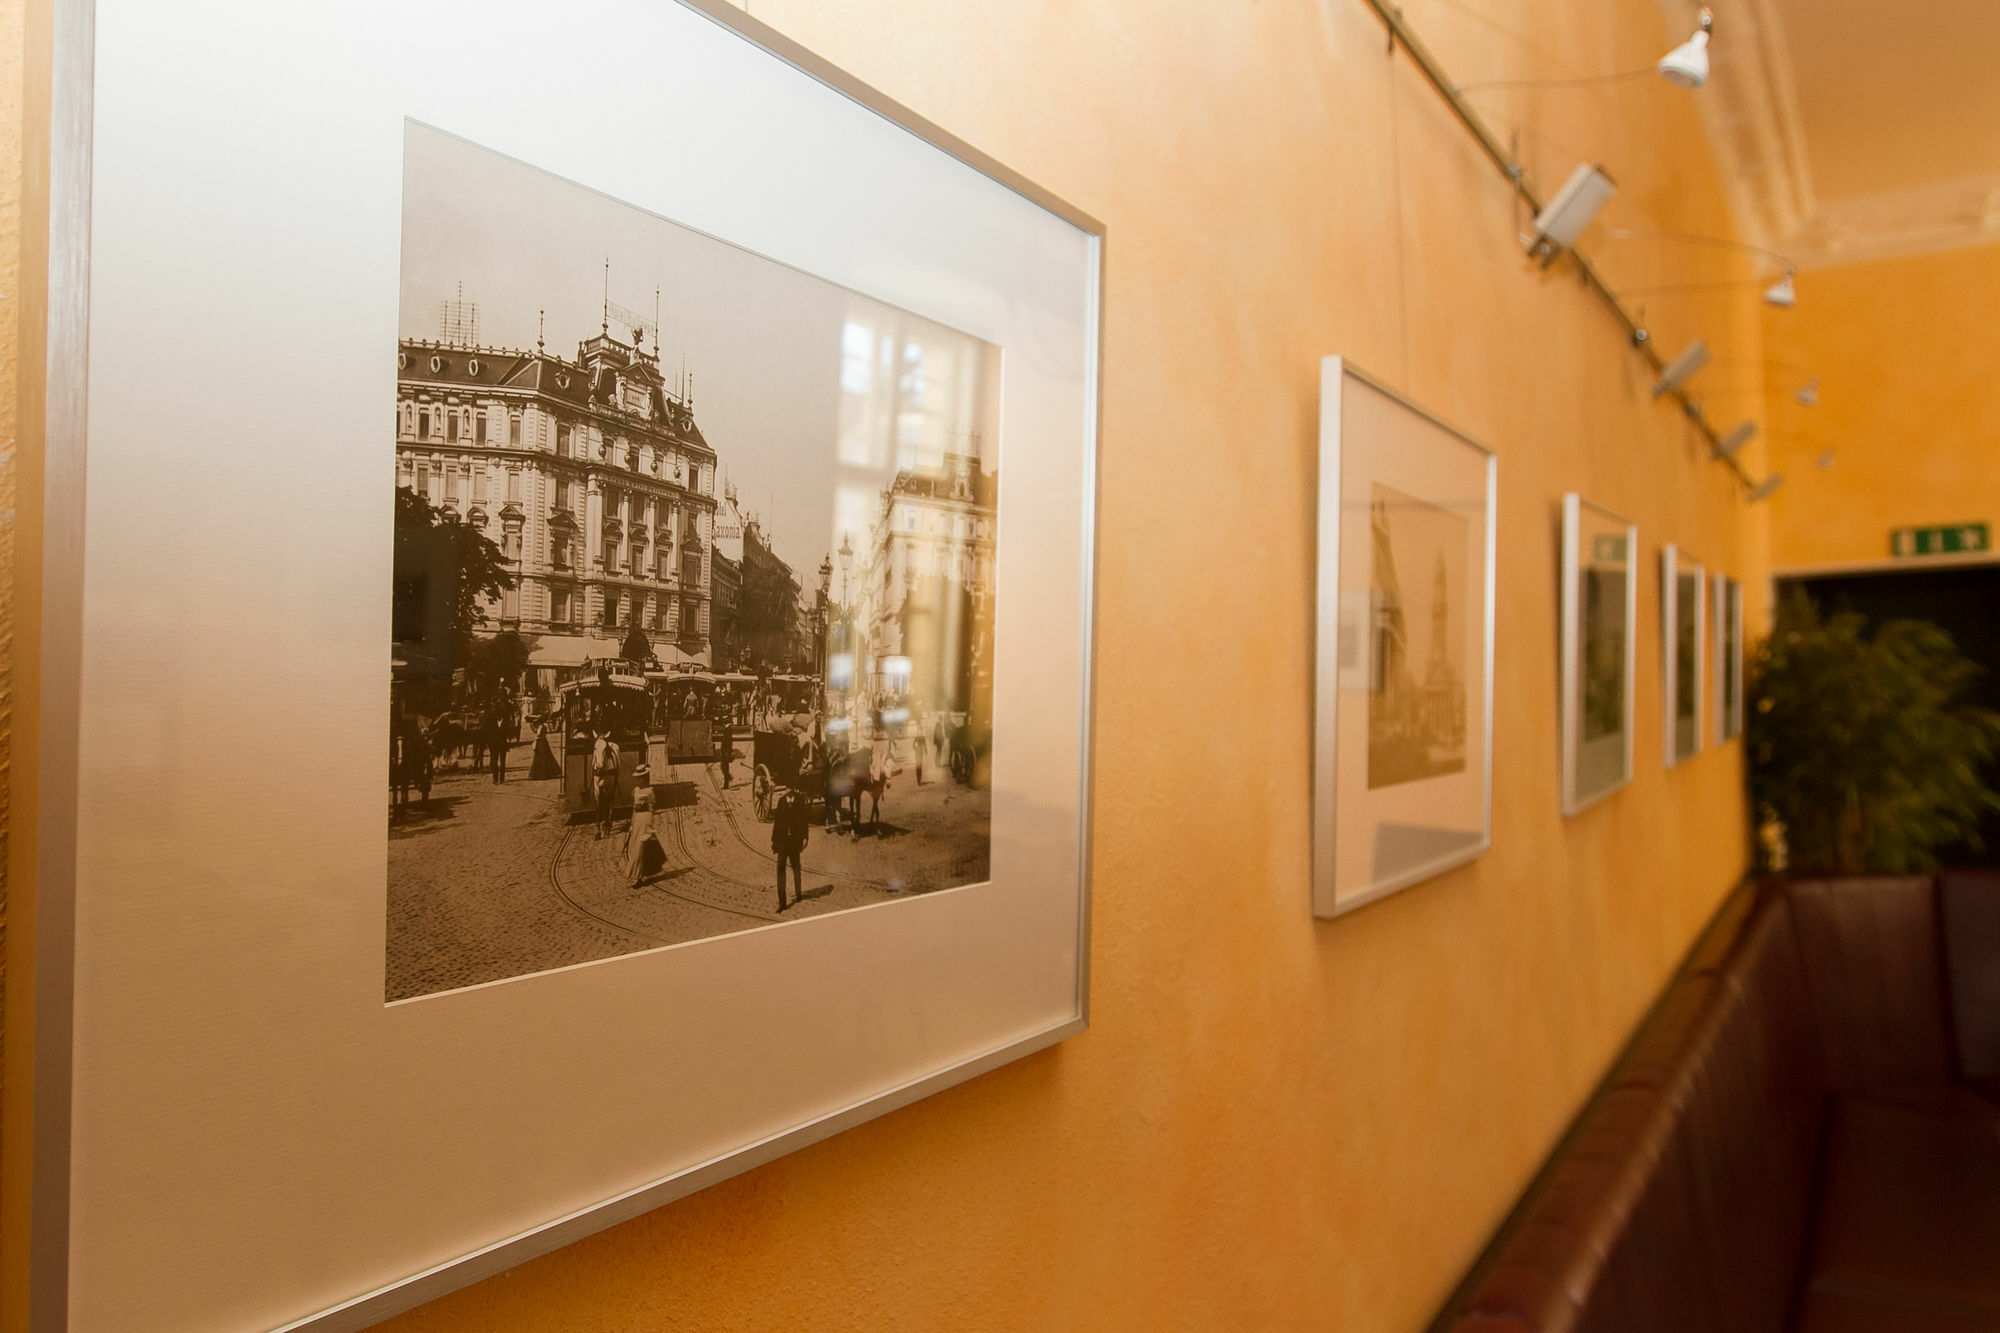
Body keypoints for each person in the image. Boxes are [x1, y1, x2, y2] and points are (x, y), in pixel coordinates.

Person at [771, 783, 808, 912]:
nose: (789, 791)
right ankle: (782, 903)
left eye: (791, 788)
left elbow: (804, 820)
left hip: (795, 842)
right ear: (785, 789)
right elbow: (777, 823)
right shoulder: (781, 802)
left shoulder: (800, 801)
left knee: (796, 867)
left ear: (794, 789)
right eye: (787, 788)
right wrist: (774, 842)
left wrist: (805, 838)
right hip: (782, 842)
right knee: (780, 869)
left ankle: (798, 894)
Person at [624, 763, 662, 886]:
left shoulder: (650, 790)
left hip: (645, 820)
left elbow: (652, 808)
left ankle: (638, 876)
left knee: (641, 848)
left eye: (640, 778)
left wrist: (650, 825)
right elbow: (634, 808)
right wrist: (632, 823)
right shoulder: (635, 791)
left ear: (644, 778)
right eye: (637, 778)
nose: (638, 780)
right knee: (635, 847)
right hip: (637, 821)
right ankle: (641, 873)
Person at [591, 731, 621, 839]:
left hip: (609, 772)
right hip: (598, 767)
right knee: (597, 800)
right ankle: (597, 826)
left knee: (609, 797)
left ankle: (607, 820)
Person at [486, 704, 511, 784]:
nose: (498, 716)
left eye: (499, 714)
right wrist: (489, 743)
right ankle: (495, 778)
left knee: (502, 762)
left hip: (503, 744)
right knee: (494, 762)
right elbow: (488, 733)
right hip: (493, 745)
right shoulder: (491, 721)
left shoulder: (506, 721)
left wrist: (508, 742)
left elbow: (508, 733)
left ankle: (502, 778)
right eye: (497, 714)